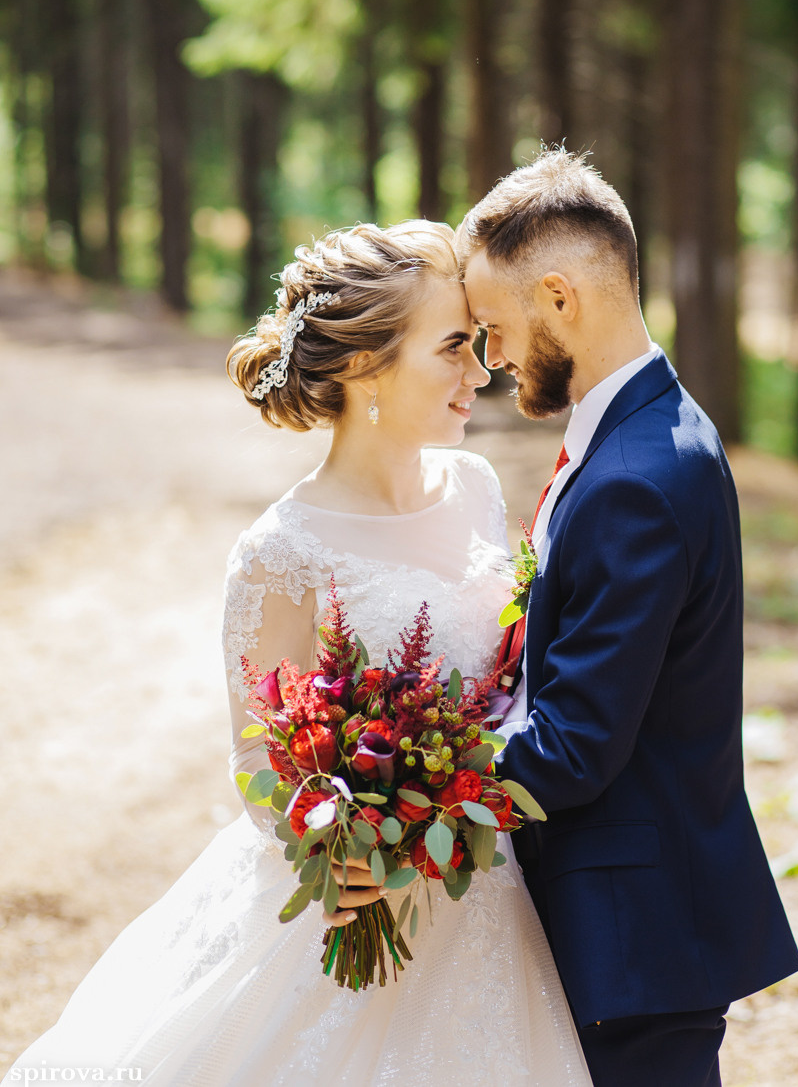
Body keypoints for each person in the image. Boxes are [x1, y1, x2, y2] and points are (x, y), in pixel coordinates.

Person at [3, 220, 590, 1087]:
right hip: (351, 896)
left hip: (480, 884)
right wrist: (351, 851)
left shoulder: (473, 488)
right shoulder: (283, 552)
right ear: (365, 369)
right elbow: (257, 754)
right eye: (453, 348)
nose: (479, 373)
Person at [458, 149, 798, 1087]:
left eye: (495, 329)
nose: (492, 362)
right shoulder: (649, 429)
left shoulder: (636, 479)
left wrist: (404, 789)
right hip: (636, 921)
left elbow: (574, 747)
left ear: (560, 298)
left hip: (630, 936)